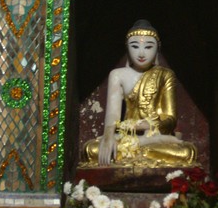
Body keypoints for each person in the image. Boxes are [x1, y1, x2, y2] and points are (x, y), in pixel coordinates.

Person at [83, 20, 197, 167]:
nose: (141, 53)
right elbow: (112, 117)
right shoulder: (117, 74)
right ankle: (138, 148)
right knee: (90, 149)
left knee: (187, 152)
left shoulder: (165, 75)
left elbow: (170, 118)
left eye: (148, 46)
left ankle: (138, 148)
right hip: (125, 136)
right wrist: (108, 137)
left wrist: (146, 126)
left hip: (155, 137)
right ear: (127, 48)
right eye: (135, 46)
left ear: (157, 49)